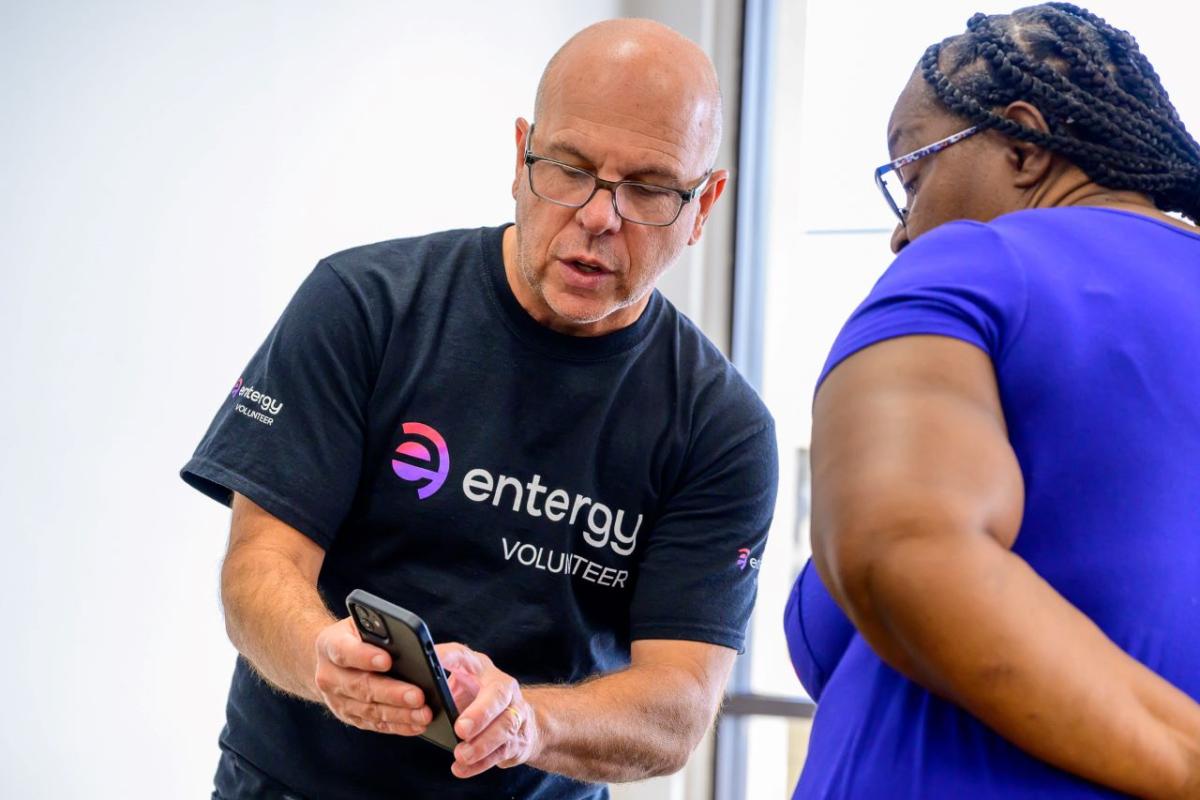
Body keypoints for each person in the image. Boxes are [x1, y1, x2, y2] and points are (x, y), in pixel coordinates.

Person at [181, 17, 777, 800]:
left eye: (649, 189)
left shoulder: (719, 426)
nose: (600, 216)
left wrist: (531, 721)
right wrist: (322, 654)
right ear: (521, 156)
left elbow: (676, 709)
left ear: (705, 205)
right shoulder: (364, 307)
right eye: (569, 168)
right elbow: (260, 569)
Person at [785, 4, 1200, 798]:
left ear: (1020, 142)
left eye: (913, 178)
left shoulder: (973, 263)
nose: (902, 234)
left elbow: (899, 553)